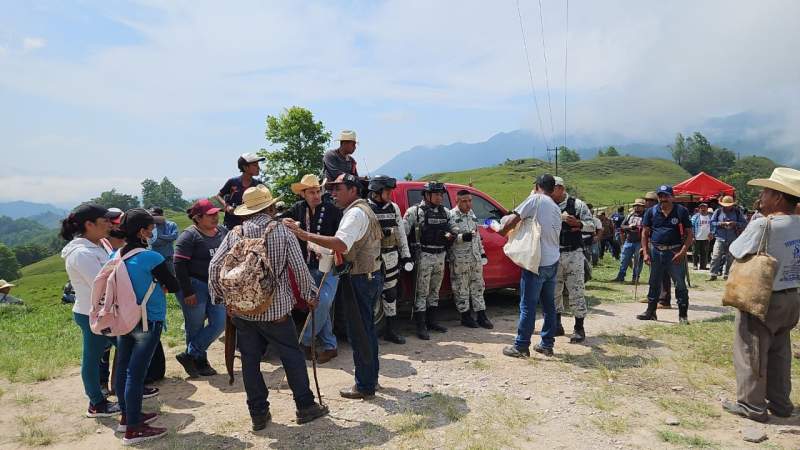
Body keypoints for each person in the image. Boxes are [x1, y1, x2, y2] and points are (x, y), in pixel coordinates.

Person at [210, 185, 329, 431]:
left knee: (250, 361)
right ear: (271, 207)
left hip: (243, 312)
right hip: (275, 312)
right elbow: (299, 268)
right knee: (291, 356)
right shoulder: (282, 232)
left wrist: (224, 300)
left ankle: (258, 414)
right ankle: (305, 406)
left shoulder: (235, 233)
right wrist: (310, 295)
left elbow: (214, 267)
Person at [287, 173, 384, 400]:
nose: (331, 193)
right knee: (366, 332)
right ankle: (370, 379)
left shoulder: (354, 213)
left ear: (352, 190)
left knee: (359, 334)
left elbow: (341, 243)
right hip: (367, 275)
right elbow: (343, 247)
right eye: (329, 189)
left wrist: (303, 234)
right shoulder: (362, 209)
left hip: (360, 278)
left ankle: (365, 385)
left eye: (337, 189)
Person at [722, 167, 800, 423]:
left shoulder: (764, 224)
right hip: (791, 296)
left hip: (764, 297)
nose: (762, 197)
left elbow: (736, 249)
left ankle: (752, 406)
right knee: (780, 351)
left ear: (778, 197)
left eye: (766, 192)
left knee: (751, 350)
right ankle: (780, 403)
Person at [112, 209, 179, 445]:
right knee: (136, 373)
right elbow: (173, 284)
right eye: (151, 229)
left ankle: (126, 416)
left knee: (122, 368)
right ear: (142, 231)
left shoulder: (116, 255)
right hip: (148, 319)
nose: (153, 232)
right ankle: (133, 429)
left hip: (124, 319)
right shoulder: (151, 258)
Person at [60, 203, 120, 417]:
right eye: (104, 221)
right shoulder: (82, 254)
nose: (109, 225)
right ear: (89, 224)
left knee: (128, 348)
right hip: (92, 314)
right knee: (93, 357)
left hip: (105, 311)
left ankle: (125, 391)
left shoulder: (98, 244)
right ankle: (96, 403)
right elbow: (102, 284)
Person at [281, 174, 342, 362]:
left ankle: (306, 341)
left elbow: (341, 237)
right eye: (311, 192)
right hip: (307, 265)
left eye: (318, 191)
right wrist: (285, 222)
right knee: (317, 304)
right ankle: (330, 345)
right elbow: (281, 219)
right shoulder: (298, 209)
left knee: (322, 302)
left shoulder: (332, 210)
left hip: (329, 263)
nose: (316, 195)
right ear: (303, 194)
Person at [500, 174, 562, 357]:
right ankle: (547, 344)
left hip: (536, 262)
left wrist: (502, 231)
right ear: (552, 188)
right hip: (552, 261)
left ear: (537, 186)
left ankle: (521, 346)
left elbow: (514, 219)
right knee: (549, 305)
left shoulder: (535, 199)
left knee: (527, 305)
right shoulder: (555, 207)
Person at [173, 199, 228, 377]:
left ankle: (190, 353)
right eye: (210, 215)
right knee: (195, 326)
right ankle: (200, 362)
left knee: (220, 322)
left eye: (216, 213)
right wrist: (188, 291)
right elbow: (179, 265)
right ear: (197, 218)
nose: (215, 217)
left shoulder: (222, 232)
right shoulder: (189, 236)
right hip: (195, 284)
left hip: (216, 285)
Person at [366, 175, 414, 343]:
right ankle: (368, 333)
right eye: (387, 191)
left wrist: (406, 256)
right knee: (371, 295)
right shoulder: (365, 208)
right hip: (372, 258)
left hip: (391, 256)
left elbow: (401, 233)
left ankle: (391, 330)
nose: (390, 194)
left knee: (391, 293)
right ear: (377, 192)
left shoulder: (393, 208)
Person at [404, 181, 455, 340]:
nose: (440, 197)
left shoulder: (446, 212)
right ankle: (420, 325)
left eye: (441, 194)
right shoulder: (415, 211)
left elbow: (454, 229)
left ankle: (432, 321)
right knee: (422, 291)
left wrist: (452, 235)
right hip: (423, 255)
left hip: (440, 255)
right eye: (437, 194)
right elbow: (403, 232)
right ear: (427, 195)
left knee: (435, 290)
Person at [636, 185, 694, 324]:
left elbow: (689, 234)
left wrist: (682, 252)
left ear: (672, 197)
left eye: (666, 196)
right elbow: (645, 233)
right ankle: (651, 312)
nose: (663, 199)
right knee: (654, 282)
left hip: (674, 252)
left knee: (680, 284)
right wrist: (645, 252)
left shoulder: (681, 211)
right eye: (661, 196)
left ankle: (683, 315)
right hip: (656, 251)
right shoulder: (651, 212)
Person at [552, 176, 595, 343]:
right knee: (554, 291)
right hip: (554, 253)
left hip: (573, 253)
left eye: (553, 188)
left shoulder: (577, 205)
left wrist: (578, 223)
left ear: (561, 189)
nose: (550, 191)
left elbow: (592, 226)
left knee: (576, 290)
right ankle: (556, 324)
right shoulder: (549, 205)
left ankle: (579, 327)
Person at [448, 189, 493, 329]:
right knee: (461, 288)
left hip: (474, 257)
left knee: (479, 286)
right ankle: (465, 316)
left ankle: (481, 315)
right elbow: (450, 238)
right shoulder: (451, 216)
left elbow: (477, 236)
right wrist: (462, 237)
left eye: (470, 201)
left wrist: (482, 252)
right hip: (460, 259)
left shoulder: (471, 214)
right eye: (464, 201)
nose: (468, 204)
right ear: (457, 201)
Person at [216, 153, 265, 230]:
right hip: (232, 225)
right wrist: (227, 206)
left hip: (252, 226)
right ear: (245, 167)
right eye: (255, 165)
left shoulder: (258, 185)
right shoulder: (232, 182)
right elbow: (218, 196)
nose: (258, 168)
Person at [709, 196, 747, 281]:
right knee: (716, 255)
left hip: (733, 238)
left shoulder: (737, 212)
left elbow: (744, 223)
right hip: (719, 237)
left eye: (729, 205)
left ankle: (727, 275)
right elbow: (712, 222)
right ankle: (713, 274)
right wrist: (721, 224)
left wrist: (735, 223)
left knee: (730, 258)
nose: (727, 206)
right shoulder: (718, 211)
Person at [613, 199, 646, 282]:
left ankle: (635, 278)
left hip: (640, 242)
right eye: (635, 206)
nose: (637, 207)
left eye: (639, 206)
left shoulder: (646, 216)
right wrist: (630, 227)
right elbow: (622, 226)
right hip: (629, 240)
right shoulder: (629, 215)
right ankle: (620, 276)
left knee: (638, 261)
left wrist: (638, 228)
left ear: (643, 207)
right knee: (624, 259)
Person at [148, 208, 179, 275]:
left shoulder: (171, 224)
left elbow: (174, 236)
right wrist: (166, 238)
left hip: (168, 258)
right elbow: (154, 242)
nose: (152, 218)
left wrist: (159, 236)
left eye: (154, 215)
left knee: (172, 277)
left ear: (161, 215)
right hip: (154, 259)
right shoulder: (151, 226)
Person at [690, 203, 713, 270]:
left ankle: (703, 266)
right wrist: (693, 236)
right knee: (695, 252)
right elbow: (692, 226)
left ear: (707, 208)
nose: (703, 209)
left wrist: (711, 233)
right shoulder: (695, 216)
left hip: (706, 238)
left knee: (705, 253)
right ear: (699, 209)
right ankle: (695, 265)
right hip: (696, 238)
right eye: (701, 207)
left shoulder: (710, 217)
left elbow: (713, 226)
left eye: (704, 207)